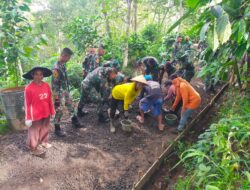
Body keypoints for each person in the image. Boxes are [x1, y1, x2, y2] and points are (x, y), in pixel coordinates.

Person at [23, 66, 55, 157]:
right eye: (36, 74)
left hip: (46, 112)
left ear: (43, 75)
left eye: (41, 74)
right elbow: (27, 104)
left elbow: (49, 99)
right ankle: (33, 148)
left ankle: (44, 142)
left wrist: (52, 111)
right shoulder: (29, 88)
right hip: (35, 114)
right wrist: (28, 117)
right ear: (32, 75)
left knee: (45, 127)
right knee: (34, 131)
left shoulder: (46, 86)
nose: (39, 76)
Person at [52, 48, 82, 138]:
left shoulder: (63, 65)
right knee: (59, 110)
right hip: (58, 92)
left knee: (70, 105)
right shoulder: (56, 68)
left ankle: (75, 121)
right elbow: (55, 84)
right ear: (64, 56)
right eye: (68, 57)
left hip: (65, 90)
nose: (69, 59)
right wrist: (56, 98)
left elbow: (65, 79)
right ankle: (57, 129)